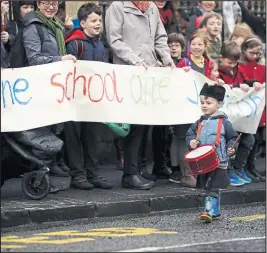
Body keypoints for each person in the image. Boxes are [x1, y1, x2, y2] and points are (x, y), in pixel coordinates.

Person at [105, 1, 175, 190]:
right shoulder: (117, 7)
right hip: (128, 71)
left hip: (148, 72)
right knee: (133, 124)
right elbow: (114, 40)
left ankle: (136, 170)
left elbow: (160, 37)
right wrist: (135, 60)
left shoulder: (151, 7)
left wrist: (167, 59)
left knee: (143, 123)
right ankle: (129, 173)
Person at [64, 3, 114, 190]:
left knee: (92, 137)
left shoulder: (100, 44)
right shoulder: (74, 43)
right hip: (74, 101)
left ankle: (93, 174)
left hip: (94, 100)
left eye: (99, 20)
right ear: (83, 23)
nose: (98, 23)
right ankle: (77, 176)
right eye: (94, 20)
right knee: (74, 138)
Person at [186, 83, 238, 222]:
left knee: (212, 187)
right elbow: (190, 134)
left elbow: (232, 138)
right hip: (203, 162)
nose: (204, 105)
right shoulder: (199, 122)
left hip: (219, 160)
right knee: (209, 187)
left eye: (208, 103)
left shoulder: (224, 122)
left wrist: (231, 149)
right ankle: (215, 211)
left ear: (219, 103)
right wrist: (191, 142)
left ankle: (208, 211)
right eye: (202, 102)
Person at [218, 41, 263, 186]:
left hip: (239, 114)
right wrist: (237, 86)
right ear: (221, 58)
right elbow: (221, 87)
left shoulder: (238, 69)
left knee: (249, 140)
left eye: (235, 63)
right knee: (229, 143)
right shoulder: (218, 71)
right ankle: (228, 171)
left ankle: (238, 168)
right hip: (226, 115)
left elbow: (246, 81)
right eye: (229, 62)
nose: (232, 65)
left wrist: (253, 83)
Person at [239, 36, 266, 182]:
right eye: (252, 53)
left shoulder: (262, 68)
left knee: (258, 139)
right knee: (250, 137)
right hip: (247, 107)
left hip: (260, 107)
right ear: (244, 51)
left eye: (257, 53)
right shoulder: (241, 66)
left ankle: (251, 166)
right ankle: (244, 166)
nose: (254, 56)